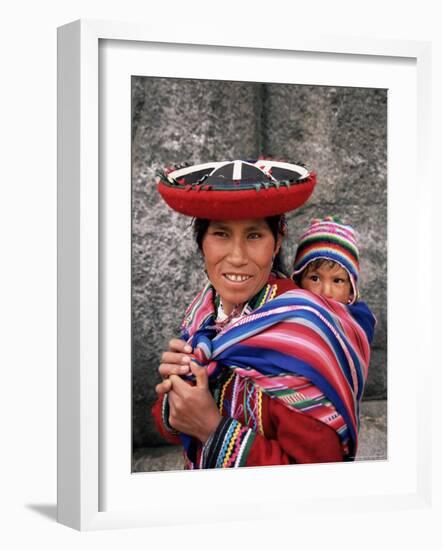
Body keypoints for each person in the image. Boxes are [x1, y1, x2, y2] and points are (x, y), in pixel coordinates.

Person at [151, 159, 376, 469]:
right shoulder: (204, 312)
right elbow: (174, 426)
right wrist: (176, 390)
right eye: (221, 234)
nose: (238, 257)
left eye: (254, 235)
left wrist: (213, 430)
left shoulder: (300, 328)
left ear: (277, 240)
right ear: (201, 243)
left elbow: (321, 475)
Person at [291, 216, 361, 305]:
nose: (326, 293)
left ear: (351, 291)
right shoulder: (287, 314)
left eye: (337, 281)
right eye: (315, 279)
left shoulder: (361, 318)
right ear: (298, 281)